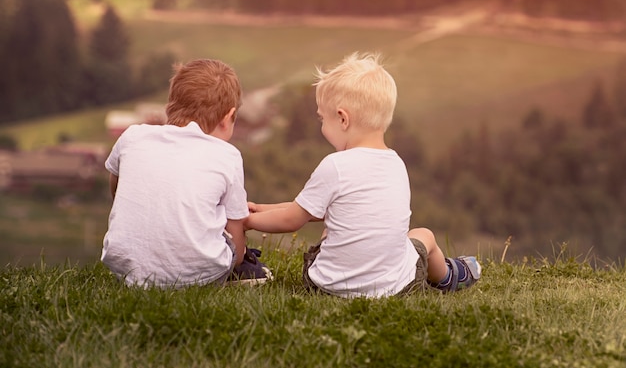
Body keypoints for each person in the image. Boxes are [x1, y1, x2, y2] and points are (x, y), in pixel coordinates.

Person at [245, 52, 480, 298]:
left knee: (329, 231)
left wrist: (247, 220)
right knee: (424, 236)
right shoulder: (396, 164)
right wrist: (262, 208)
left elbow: (292, 219)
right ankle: (448, 276)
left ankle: (351, 275)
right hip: (396, 288)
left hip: (329, 288)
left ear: (342, 118)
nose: (322, 127)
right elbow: (317, 209)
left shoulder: (334, 165)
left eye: (323, 119)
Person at [101, 58, 272, 288]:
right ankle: (235, 273)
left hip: (126, 266)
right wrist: (238, 253)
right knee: (231, 242)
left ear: (170, 104)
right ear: (227, 117)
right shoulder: (227, 155)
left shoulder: (132, 137)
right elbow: (236, 233)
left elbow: (117, 186)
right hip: (197, 275)